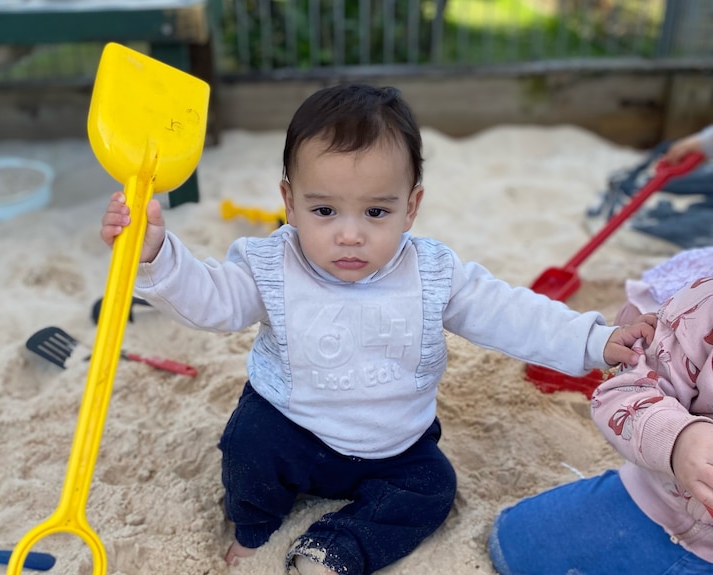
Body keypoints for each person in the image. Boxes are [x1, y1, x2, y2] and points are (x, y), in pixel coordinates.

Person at [100, 84, 656, 575]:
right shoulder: (271, 266)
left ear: (410, 208)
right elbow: (212, 303)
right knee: (248, 446)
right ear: (289, 202)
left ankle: (336, 549)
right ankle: (253, 528)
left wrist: (593, 340)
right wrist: (157, 258)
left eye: (375, 213)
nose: (349, 236)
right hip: (291, 426)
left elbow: (510, 313)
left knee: (433, 491)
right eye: (324, 211)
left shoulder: (434, 273)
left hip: (396, 443)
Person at [489, 269, 713, 574]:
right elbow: (629, 387)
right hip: (659, 500)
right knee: (513, 544)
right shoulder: (704, 306)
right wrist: (678, 440)